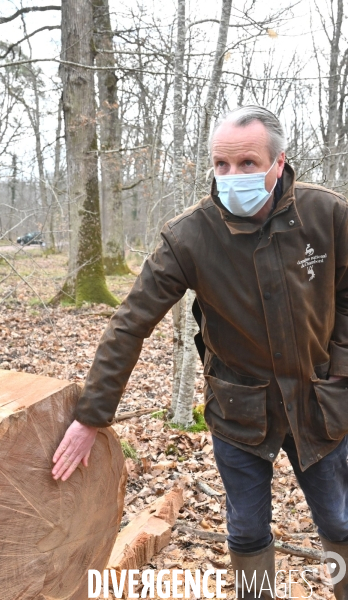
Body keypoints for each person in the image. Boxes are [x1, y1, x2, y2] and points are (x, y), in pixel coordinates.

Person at [52, 105, 348, 599]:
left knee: (339, 518)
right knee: (248, 530)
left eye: (248, 163)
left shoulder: (327, 215)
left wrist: (341, 370)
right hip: (239, 408)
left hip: (320, 401)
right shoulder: (190, 234)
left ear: (278, 163)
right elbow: (130, 322)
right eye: (221, 165)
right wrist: (91, 415)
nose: (232, 176)